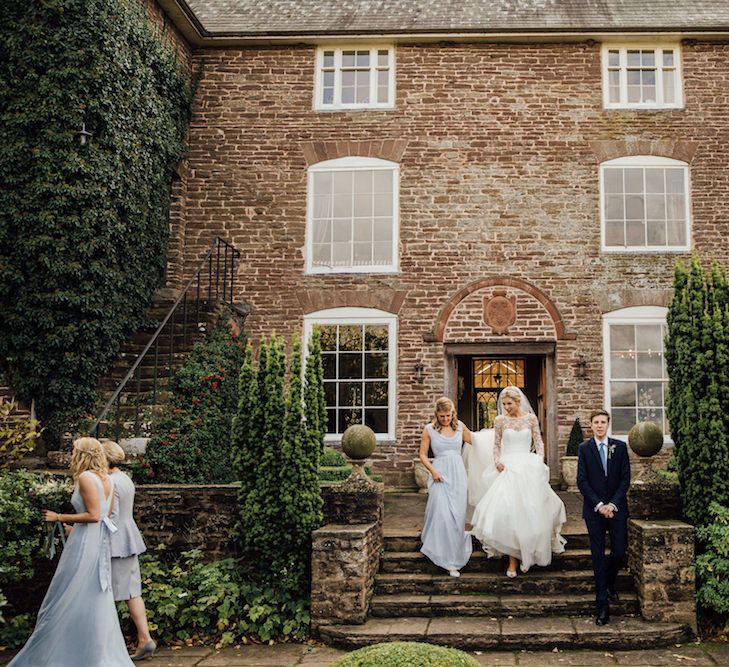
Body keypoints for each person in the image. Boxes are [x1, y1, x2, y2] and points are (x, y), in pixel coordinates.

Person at [9, 438, 134, 666]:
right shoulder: (106, 478)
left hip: (86, 541)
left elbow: (95, 515)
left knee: (70, 590)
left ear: (82, 454)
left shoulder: (87, 478)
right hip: (97, 540)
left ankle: (66, 652)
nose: (71, 454)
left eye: (74, 451)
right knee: (90, 593)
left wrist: (59, 517)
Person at [470, 386, 566, 577]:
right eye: (504, 404)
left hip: (528, 467)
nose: (506, 407)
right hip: (508, 467)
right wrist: (497, 462)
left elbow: (538, 442)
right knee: (509, 515)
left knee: (530, 513)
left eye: (509, 404)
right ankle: (512, 561)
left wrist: (539, 460)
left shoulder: (530, 419)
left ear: (518, 402)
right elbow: (496, 444)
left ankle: (526, 555)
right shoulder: (500, 420)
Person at [102, 440, 156, 662]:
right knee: (132, 592)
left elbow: (110, 517)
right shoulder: (125, 478)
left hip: (116, 542)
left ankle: (110, 645)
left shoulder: (110, 481)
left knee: (107, 594)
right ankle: (145, 638)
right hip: (129, 538)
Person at [577, 409, 630, 626]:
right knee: (597, 556)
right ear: (591, 425)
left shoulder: (620, 447)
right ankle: (602, 607)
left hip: (616, 509)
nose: (599, 425)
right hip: (594, 511)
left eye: (603, 422)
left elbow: (625, 479)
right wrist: (599, 505)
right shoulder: (584, 449)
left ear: (608, 424)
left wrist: (613, 504)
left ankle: (609, 582)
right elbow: (582, 481)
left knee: (619, 550)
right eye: (596, 422)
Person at [419, 396, 473, 577]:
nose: (445, 419)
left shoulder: (460, 427)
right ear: (436, 415)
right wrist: (433, 471)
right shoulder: (429, 430)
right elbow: (423, 455)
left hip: (458, 475)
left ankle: (453, 555)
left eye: (448, 416)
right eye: (442, 416)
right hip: (439, 474)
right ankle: (445, 559)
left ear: (452, 414)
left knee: (457, 517)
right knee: (441, 514)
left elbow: (476, 442)